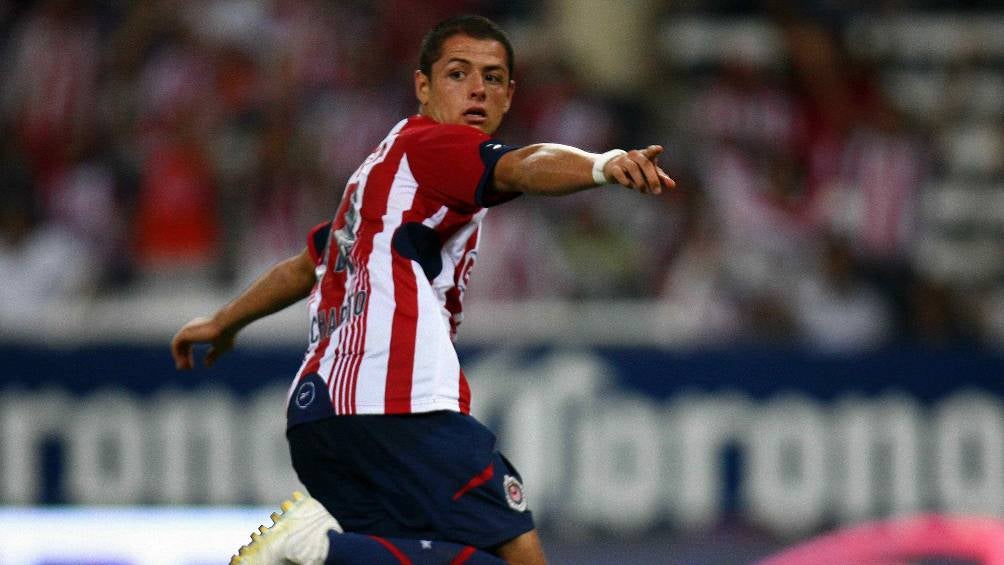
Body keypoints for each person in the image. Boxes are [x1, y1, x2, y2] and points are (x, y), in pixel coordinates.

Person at [171, 14, 674, 565]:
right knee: (519, 554)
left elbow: (302, 267)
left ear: (509, 95)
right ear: (423, 86)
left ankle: (323, 552)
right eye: (458, 74)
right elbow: (523, 165)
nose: (477, 89)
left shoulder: (382, 177)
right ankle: (320, 550)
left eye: (493, 77)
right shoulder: (433, 147)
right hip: (397, 402)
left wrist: (223, 321)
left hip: (321, 416)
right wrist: (603, 163)